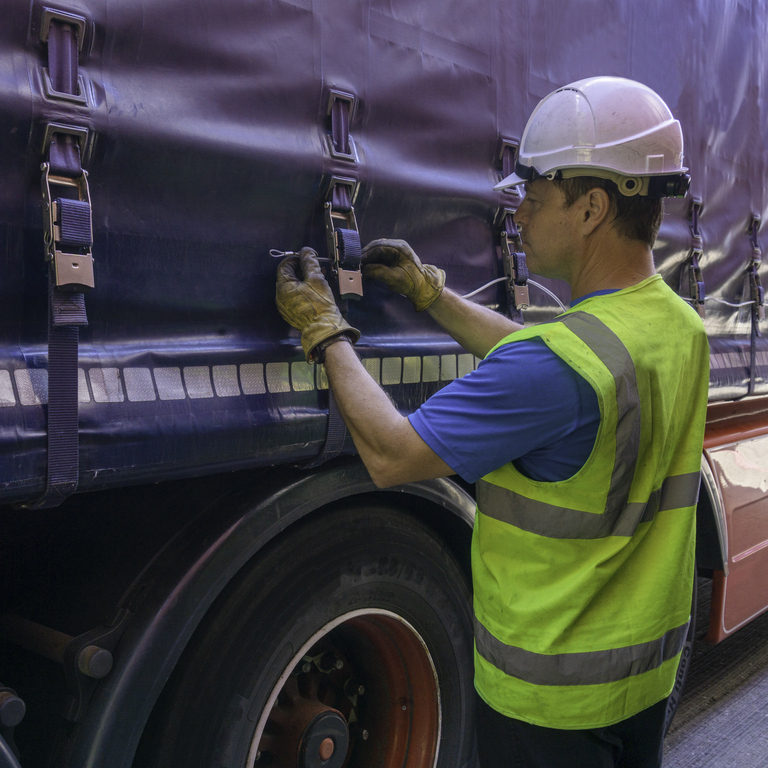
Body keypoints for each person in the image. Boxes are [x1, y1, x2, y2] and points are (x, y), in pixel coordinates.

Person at [275, 76, 709, 768]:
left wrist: (326, 333)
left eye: (534, 199)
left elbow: (391, 454)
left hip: (548, 705)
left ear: (592, 208)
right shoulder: (678, 326)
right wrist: (434, 297)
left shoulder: (557, 368)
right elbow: (550, 365)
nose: (520, 217)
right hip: (642, 681)